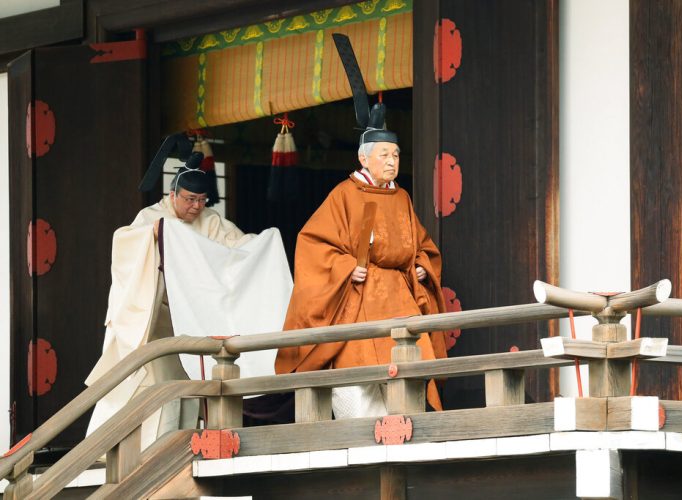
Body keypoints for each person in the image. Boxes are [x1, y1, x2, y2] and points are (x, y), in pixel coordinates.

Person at [86, 148, 292, 448]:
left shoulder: (211, 222)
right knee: (147, 385)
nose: (196, 206)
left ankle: (178, 446)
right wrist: (157, 236)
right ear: (173, 195)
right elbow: (124, 243)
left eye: (201, 200)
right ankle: (120, 448)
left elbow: (237, 251)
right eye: (189, 199)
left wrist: (262, 244)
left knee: (190, 386)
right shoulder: (152, 218)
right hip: (156, 321)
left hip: (192, 319)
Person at [275, 125, 448, 419]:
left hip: (399, 301)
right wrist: (345, 268)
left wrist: (421, 265)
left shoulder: (401, 197)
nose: (392, 161)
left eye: (396, 155)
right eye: (384, 155)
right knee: (359, 399)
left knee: (407, 400)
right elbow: (313, 245)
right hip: (359, 301)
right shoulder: (344, 195)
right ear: (363, 159)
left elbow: (422, 244)